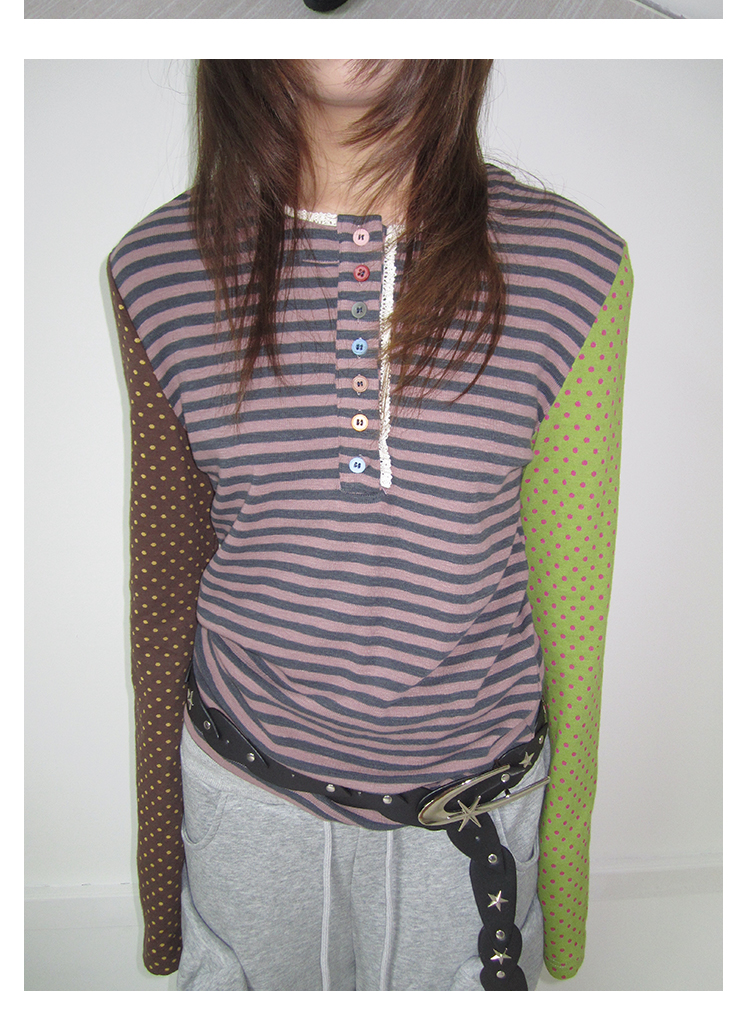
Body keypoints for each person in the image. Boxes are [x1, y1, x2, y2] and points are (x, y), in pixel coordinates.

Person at [108, 59, 632, 991]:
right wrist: (162, 881)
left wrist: (564, 884)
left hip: (469, 822)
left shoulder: (572, 267)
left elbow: (576, 601)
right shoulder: (159, 269)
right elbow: (164, 583)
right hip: (245, 807)